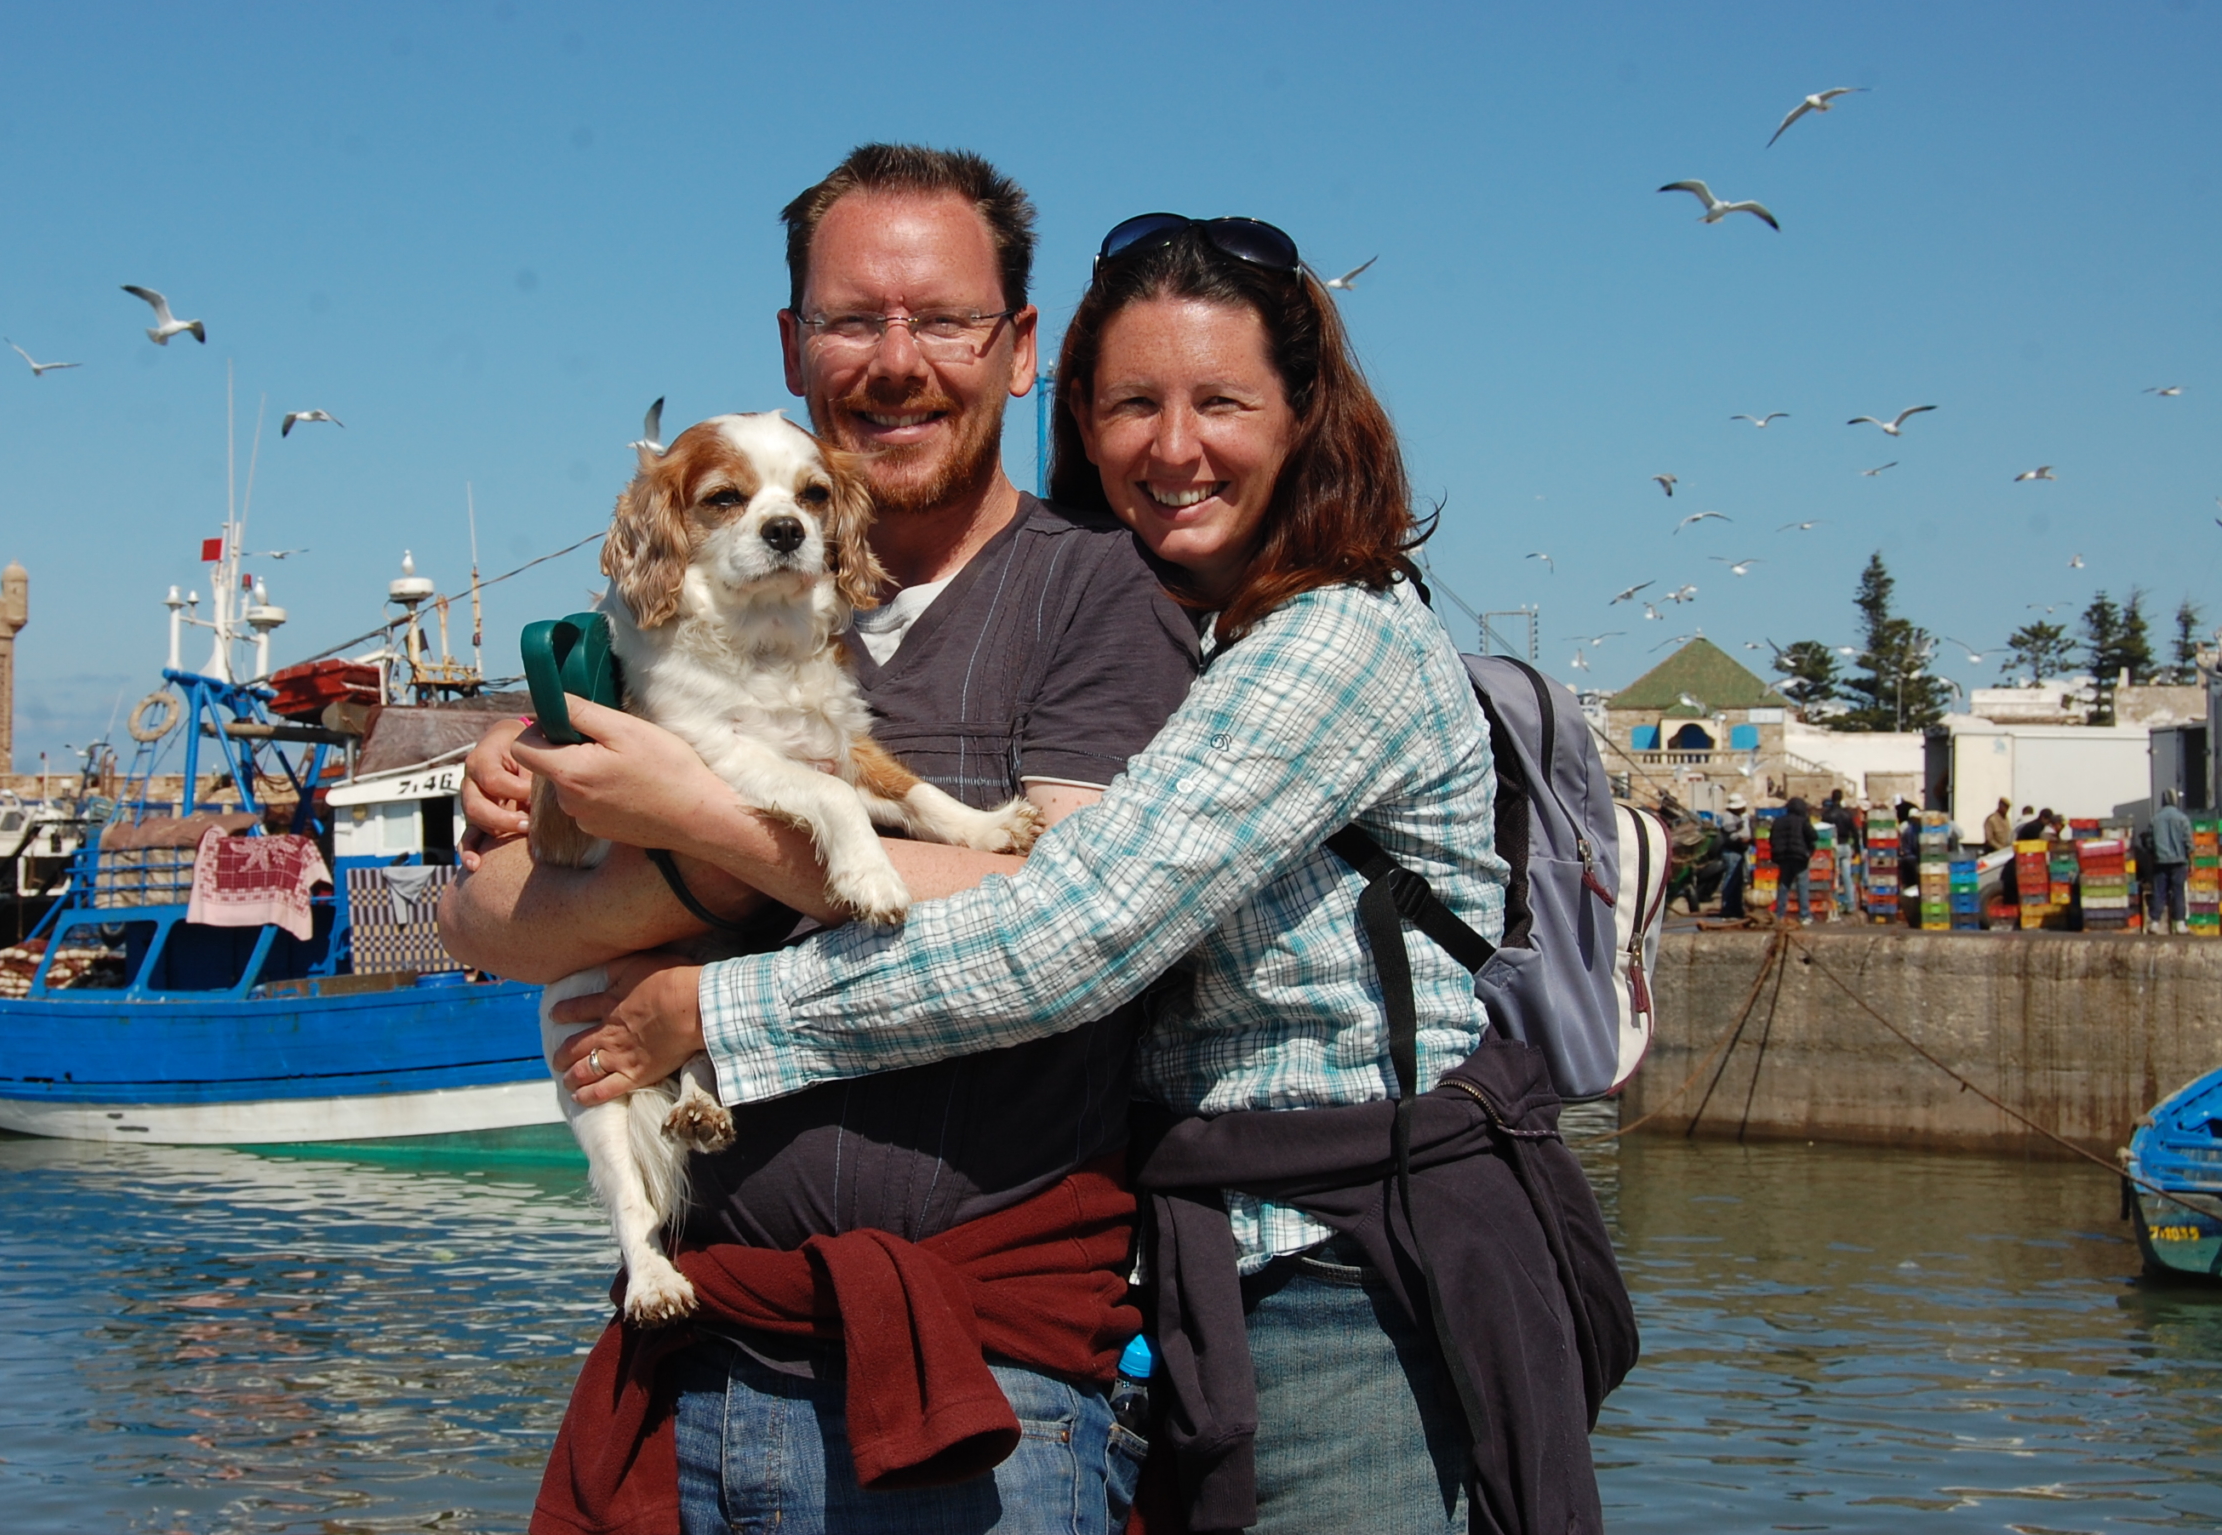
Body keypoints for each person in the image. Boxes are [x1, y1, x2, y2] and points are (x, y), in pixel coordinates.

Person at [529, 214, 1632, 1533]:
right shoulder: (1206, 633)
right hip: (1220, 1257)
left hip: (1353, 1268)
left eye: (1219, 401)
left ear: (1305, 417)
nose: (1172, 446)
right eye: (1131, 405)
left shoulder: (1329, 649)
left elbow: (1074, 934)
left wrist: (720, 1013)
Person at [440, 144, 1201, 1532]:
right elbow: (475, 919)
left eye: (947, 321)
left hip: (983, 1391)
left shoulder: (1101, 598)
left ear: (1021, 349)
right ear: (794, 350)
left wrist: (690, 883)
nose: (897, 362)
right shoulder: (673, 611)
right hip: (696, 1358)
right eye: (855, 320)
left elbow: (1075, 921)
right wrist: (616, 817)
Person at [2148, 790, 2195, 935]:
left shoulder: (2155, 819)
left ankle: (2154, 923)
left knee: (2159, 892)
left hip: (2160, 861)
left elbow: (2149, 842)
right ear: (2175, 800)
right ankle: (2180, 924)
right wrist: (2192, 863)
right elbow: (2189, 843)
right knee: (2178, 892)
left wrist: (2154, 855)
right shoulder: (2182, 819)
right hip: (2179, 862)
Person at [1772, 796, 1816, 925]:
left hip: (1783, 857)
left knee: (1784, 885)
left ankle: (1779, 914)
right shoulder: (1802, 821)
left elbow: (1772, 839)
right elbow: (1813, 836)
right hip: (1800, 856)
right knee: (1802, 885)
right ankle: (1804, 915)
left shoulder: (1778, 821)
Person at [1823, 787, 1859, 918]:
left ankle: (1835, 905)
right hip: (1846, 846)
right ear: (1841, 798)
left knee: (1834, 878)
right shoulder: (1847, 814)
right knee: (1847, 877)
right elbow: (1855, 832)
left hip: (1834, 846)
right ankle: (1851, 905)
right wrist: (1857, 849)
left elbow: (1824, 832)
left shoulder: (1827, 814)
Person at [1717, 792, 1753, 919]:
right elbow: (1730, 833)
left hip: (1738, 851)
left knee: (1738, 881)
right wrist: (1743, 839)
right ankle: (1728, 907)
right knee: (1731, 880)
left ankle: (1736, 907)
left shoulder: (1739, 816)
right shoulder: (1728, 817)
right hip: (1732, 852)